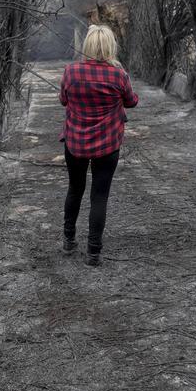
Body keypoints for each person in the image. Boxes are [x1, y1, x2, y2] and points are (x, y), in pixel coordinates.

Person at [58, 24, 139, 266]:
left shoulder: (70, 72)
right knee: (99, 196)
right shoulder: (118, 75)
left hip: (76, 143)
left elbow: (63, 100)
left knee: (75, 189)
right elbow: (132, 102)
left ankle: (69, 239)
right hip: (107, 144)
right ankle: (94, 252)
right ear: (111, 47)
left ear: (88, 47)